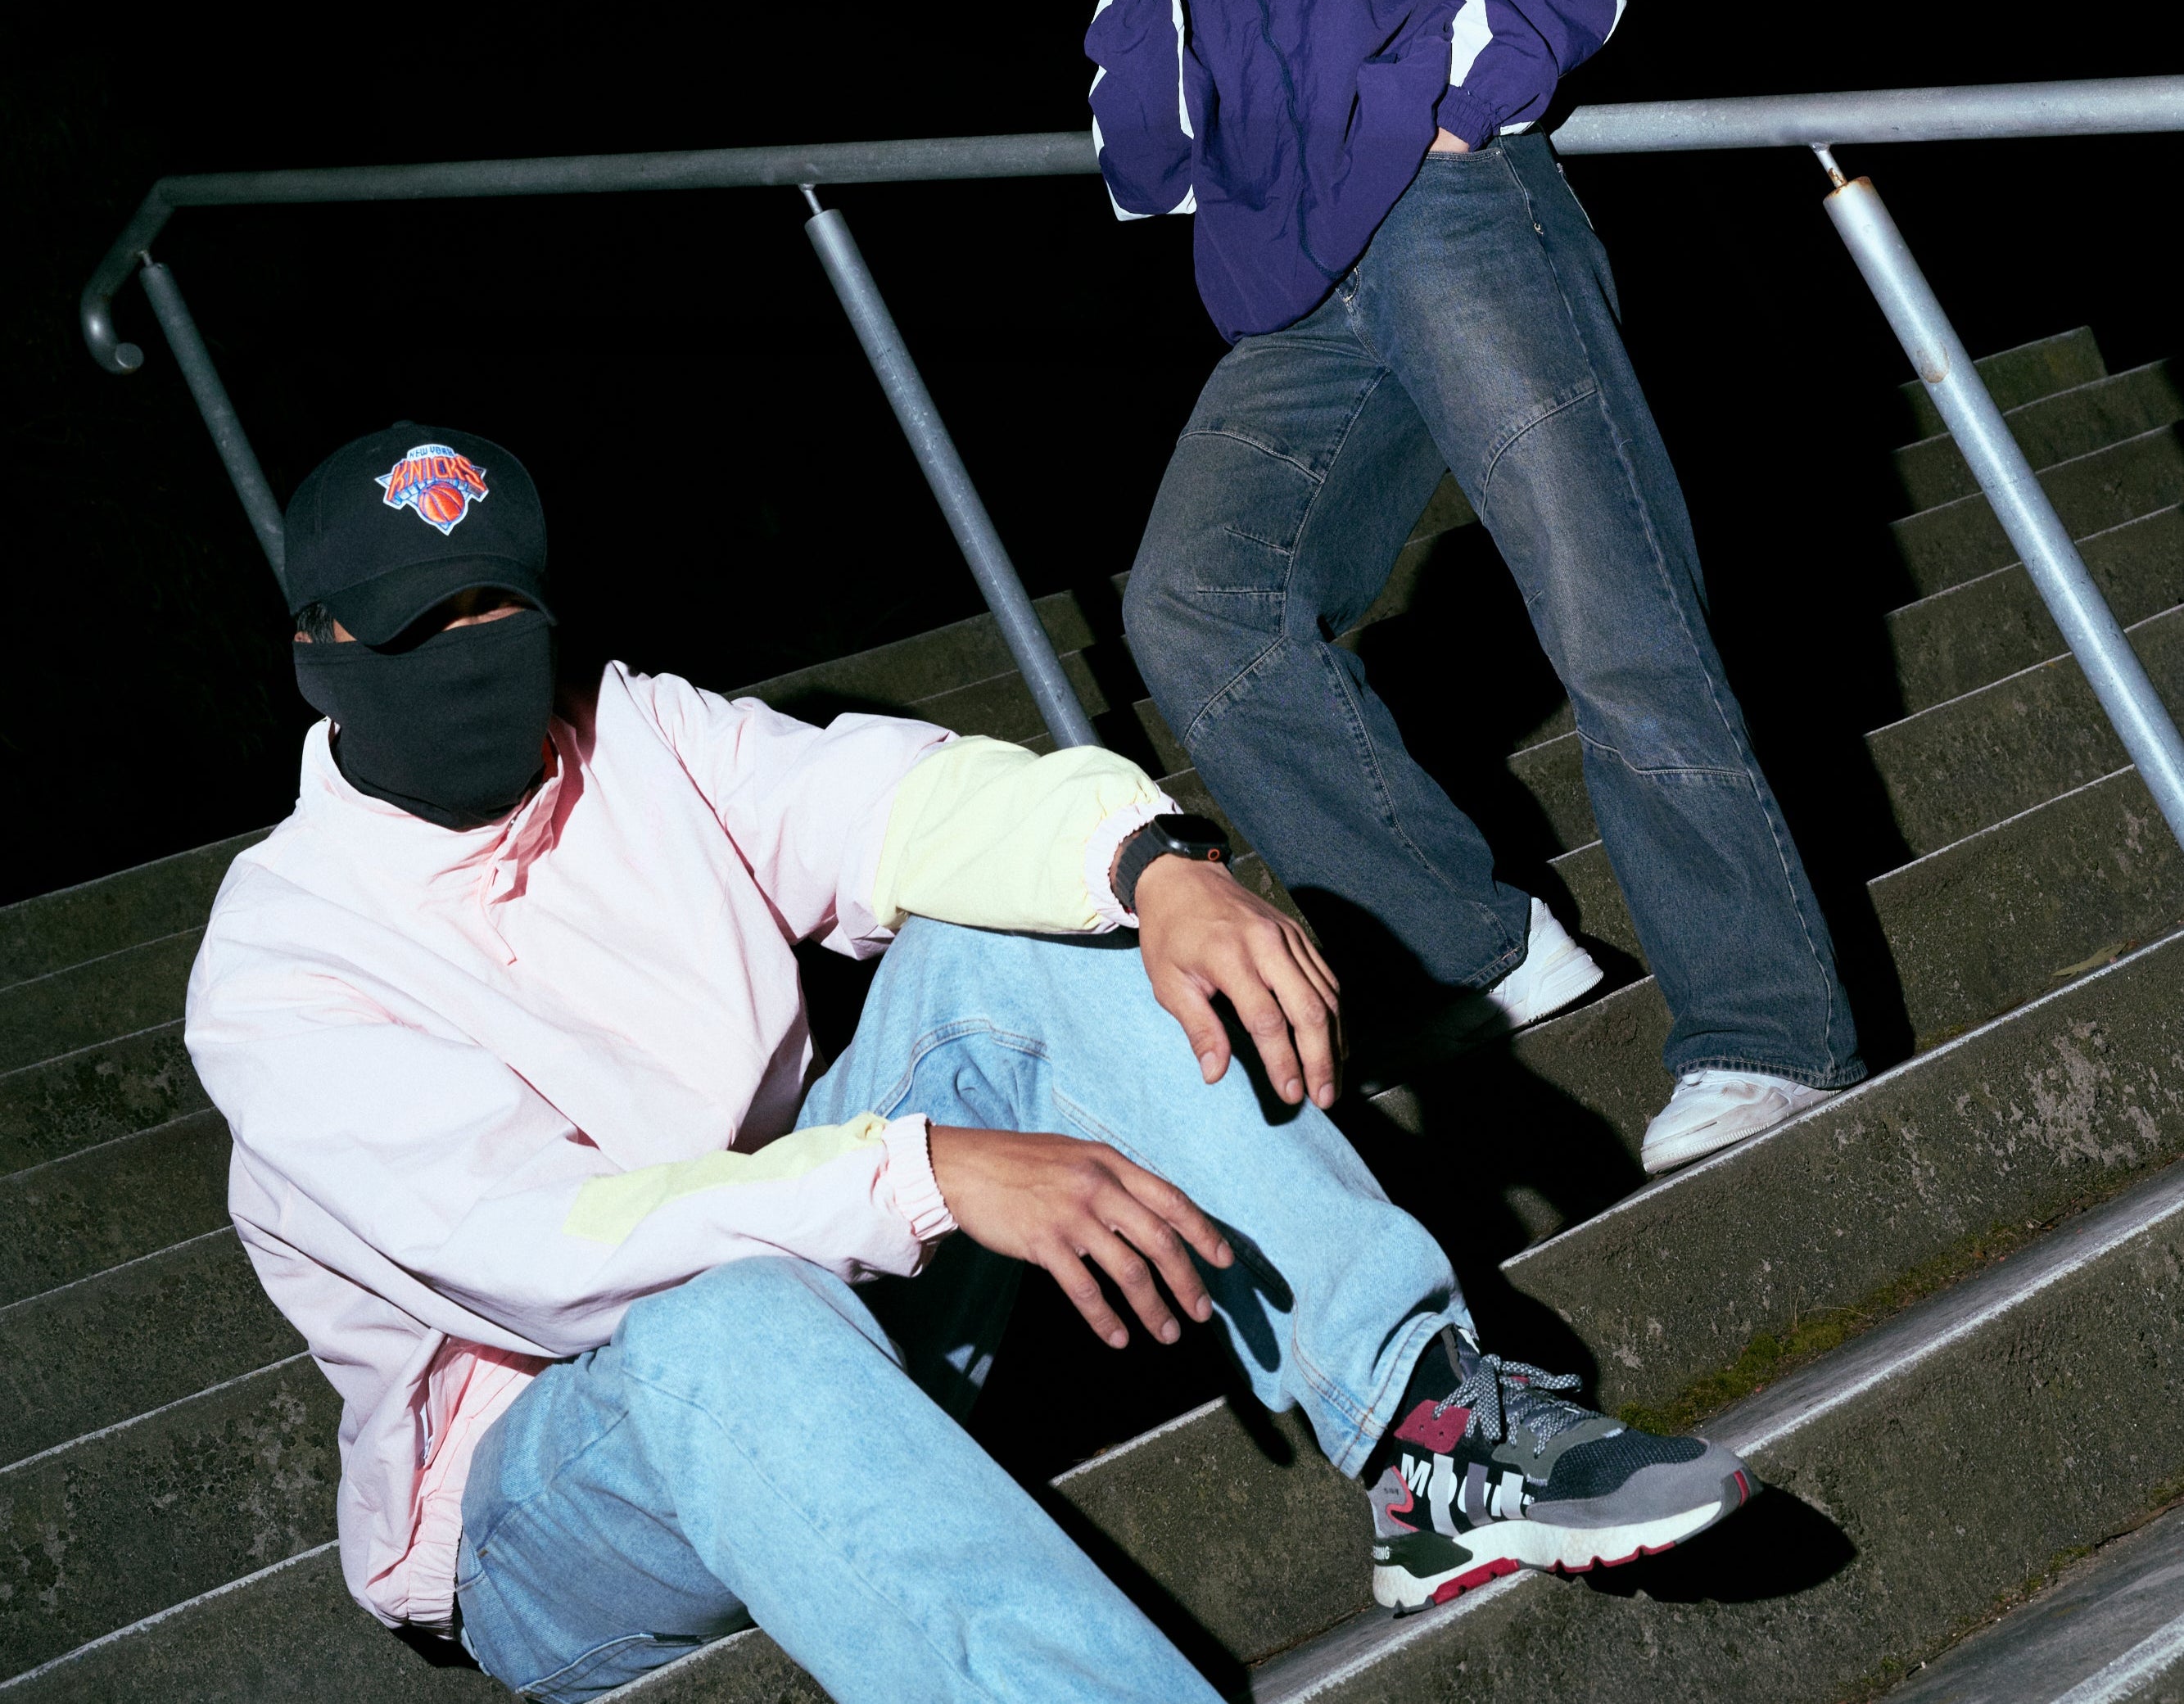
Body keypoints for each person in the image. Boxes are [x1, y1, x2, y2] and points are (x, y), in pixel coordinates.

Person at [186, 422, 1752, 1703]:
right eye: (418, 632)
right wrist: (916, 1170)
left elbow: (896, 804)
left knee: (1022, 936)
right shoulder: (282, 967)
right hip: (554, 1505)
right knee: (715, 1325)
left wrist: (1152, 861)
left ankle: (1426, 1433)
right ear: (319, 651)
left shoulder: (637, 738)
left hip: (825, 1301)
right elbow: (544, 1253)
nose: (473, 659)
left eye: (497, 614)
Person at [1069, 0, 1865, 1173]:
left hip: (1451, 225)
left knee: (1606, 602)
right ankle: (1479, 956)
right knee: (1194, 605)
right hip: (1300, 302)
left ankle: (1770, 1032)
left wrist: (1457, 114)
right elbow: (1144, 169)